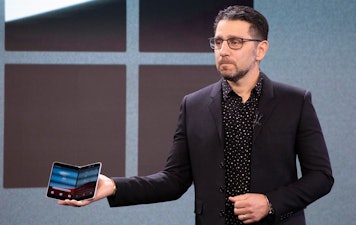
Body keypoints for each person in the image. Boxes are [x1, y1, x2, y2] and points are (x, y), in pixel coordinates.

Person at [59, 5, 334, 225]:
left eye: (235, 42)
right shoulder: (194, 105)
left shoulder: (295, 101)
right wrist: (113, 186)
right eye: (218, 42)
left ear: (260, 49)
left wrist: (270, 202)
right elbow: (173, 181)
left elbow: (320, 177)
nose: (223, 51)